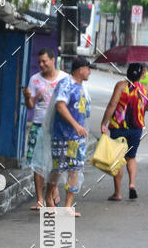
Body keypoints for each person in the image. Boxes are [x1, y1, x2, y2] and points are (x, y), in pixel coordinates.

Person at [44, 56, 92, 216]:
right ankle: (49, 196)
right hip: (62, 135)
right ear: (80, 70)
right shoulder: (66, 84)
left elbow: (84, 112)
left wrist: (81, 128)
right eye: (88, 69)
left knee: (75, 170)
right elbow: (60, 105)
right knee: (58, 169)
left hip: (77, 139)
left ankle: (68, 206)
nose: (89, 72)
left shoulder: (83, 88)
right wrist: (75, 125)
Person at [23, 48, 67, 209]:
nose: (41, 64)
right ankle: (40, 199)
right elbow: (30, 105)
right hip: (39, 124)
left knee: (56, 162)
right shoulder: (35, 80)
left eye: (44, 61)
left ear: (52, 60)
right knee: (38, 163)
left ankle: (53, 191)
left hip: (57, 127)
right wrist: (27, 97)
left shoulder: (64, 78)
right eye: (39, 62)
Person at [100, 62, 147, 200]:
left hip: (118, 127)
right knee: (131, 157)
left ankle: (118, 193)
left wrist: (104, 123)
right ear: (141, 75)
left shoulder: (121, 86)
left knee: (118, 159)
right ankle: (132, 184)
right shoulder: (144, 89)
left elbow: (112, 105)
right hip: (136, 129)